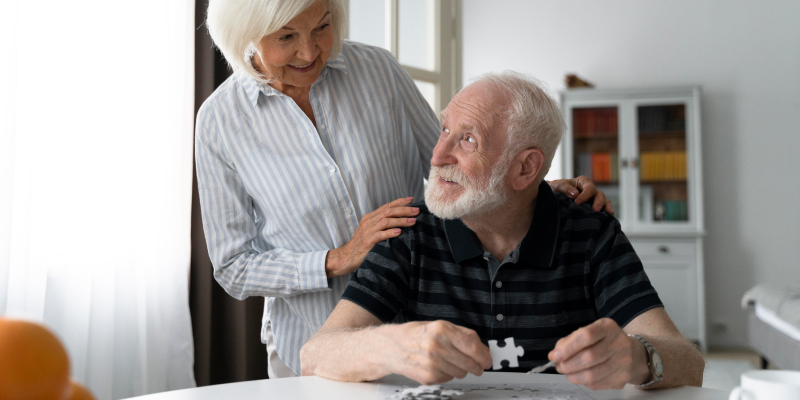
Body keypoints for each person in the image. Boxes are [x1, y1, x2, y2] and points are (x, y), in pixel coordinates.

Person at [196, 0, 611, 378]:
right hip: (309, 342)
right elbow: (233, 265)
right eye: (287, 37)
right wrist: (336, 259)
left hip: (418, 335)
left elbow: (458, 166)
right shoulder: (219, 122)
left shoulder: (377, 70)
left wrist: (531, 188)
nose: (309, 52)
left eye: (321, 27)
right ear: (244, 37)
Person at [300, 71, 705, 390]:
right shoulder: (409, 230)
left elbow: (689, 363)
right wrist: (391, 347)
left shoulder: (591, 230)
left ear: (526, 168)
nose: (438, 155)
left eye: (468, 139)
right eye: (444, 129)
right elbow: (315, 354)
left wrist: (636, 358)